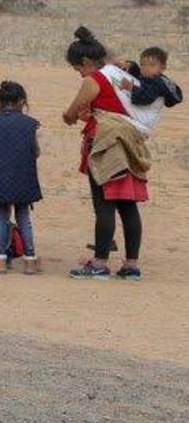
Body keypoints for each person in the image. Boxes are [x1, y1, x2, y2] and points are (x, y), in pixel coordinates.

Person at [62, 27, 148, 280]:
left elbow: (71, 113)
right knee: (128, 206)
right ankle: (131, 265)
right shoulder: (120, 74)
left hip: (104, 145)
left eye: (77, 67)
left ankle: (99, 263)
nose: (78, 72)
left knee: (104, 206)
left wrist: (71, 116)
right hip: (130, 144)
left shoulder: (94, 80)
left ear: (86, 62)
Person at [0, 80, 41, 274]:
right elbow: (35, 152)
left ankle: (0, 261)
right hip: (22, 177)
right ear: (21, 101)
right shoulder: (30, 124)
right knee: (23, 218)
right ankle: (30, 260)